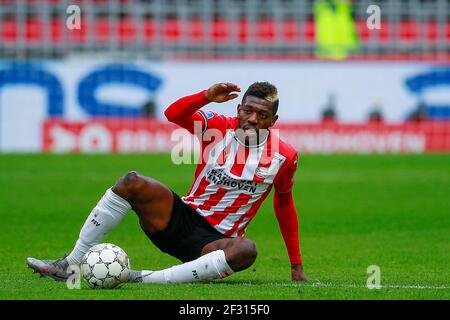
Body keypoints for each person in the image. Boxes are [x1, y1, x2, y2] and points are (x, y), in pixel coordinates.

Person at [26, 82, 307, 283]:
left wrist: (296, 264)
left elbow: (284, 205)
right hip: (178, 218)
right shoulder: (218, 126)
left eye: (262, 115)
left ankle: (141, 278)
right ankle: (70, 263)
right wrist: (206, 96)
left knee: (246, 250)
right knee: (131, 182)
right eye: (248, 111)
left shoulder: (284, 155)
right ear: (239, 108)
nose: (252, 119)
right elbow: (173, 114)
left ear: (273, 120)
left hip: (215, 245)